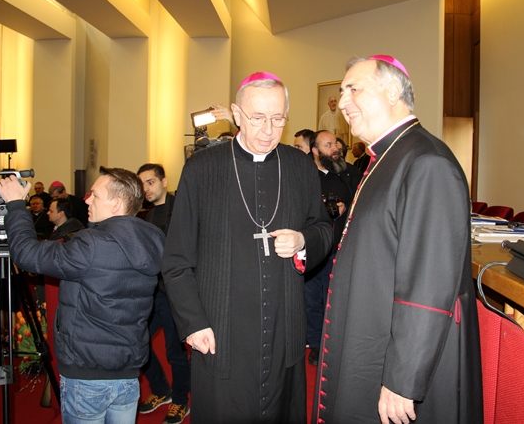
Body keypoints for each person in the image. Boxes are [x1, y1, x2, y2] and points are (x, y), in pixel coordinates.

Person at [312, 55, 483, 424]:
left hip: (400, 360)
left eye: (353, 90)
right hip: (372, 331)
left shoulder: (426, 161)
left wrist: (404, 379)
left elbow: (429, 284)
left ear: (392, 92)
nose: (343, 103)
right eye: (342, 92)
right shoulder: (387, 156)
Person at [162, 71, 333, 423]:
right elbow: (176, 260)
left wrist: (303, 240)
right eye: (257, 118)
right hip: (220, 330)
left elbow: (322, 230)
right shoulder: (201, 169)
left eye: (278, 119)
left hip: (283, 328)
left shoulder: (299, 165)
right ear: (237, 114)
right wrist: (193, 323)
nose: (269, 130)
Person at [0, 166, 166, 424]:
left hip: (87, 375)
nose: (86, 200)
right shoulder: (153, 239)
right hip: (128, 375)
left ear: (116, 204)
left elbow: (27, 255)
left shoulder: (92, 244)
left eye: (94, 195)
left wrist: (16, 205)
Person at [137, 163, 191, 424]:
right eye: (142, 184)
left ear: (164, 181)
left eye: (151, 182)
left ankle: (181, 401)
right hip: (153, 292)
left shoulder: (180, 208)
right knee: (137, 343)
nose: (146, 188)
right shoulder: (146, 215)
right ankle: (161, 389)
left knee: (175, 352)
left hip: (174, 292)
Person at [305, 130, 361, 365]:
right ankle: (316, 344)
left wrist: (346, 207)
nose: (335, 148)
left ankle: (335, 345)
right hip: (314, 250)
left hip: (342, 249)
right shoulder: (305, 175)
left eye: (335, 143)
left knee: (336, 300)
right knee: (312, 300)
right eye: (328, 145)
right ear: (315, 151)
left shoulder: (350, 173)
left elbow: (365, 204)